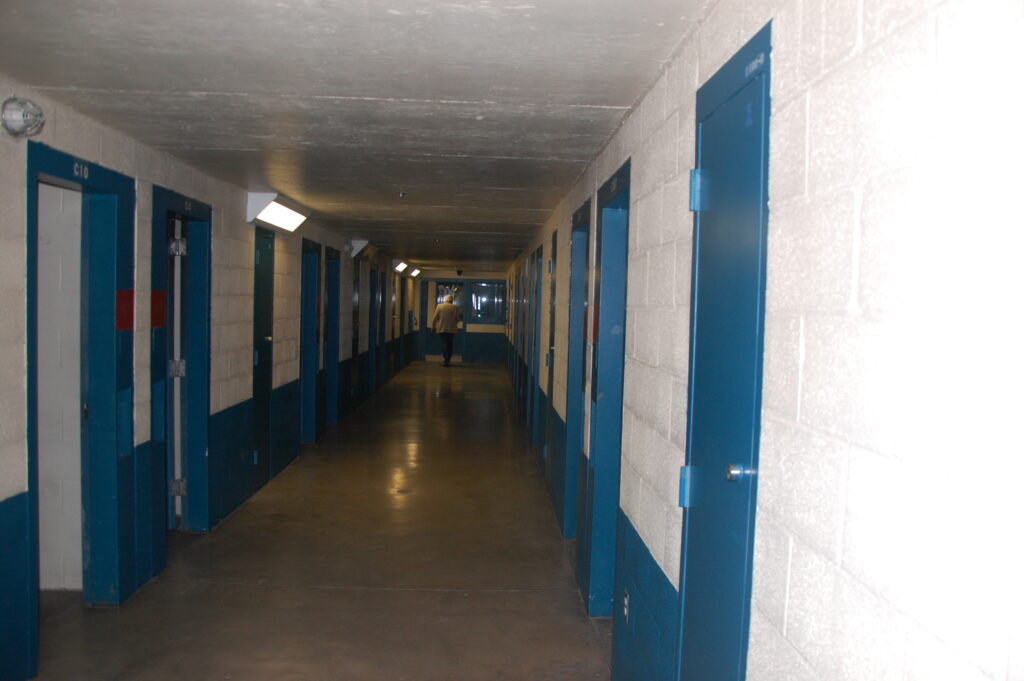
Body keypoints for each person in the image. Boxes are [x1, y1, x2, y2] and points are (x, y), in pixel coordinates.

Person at [431, 293, 461, 367]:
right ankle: (448, 360)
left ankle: (445, 360)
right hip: (451, 330)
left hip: (442, 329)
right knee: (450, 345)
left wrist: (433, 327)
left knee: (444, 345)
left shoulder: (439, 306)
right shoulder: (455, 307)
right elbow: (458, 319)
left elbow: (434, 318)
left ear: (445, 300)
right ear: (451, 300)